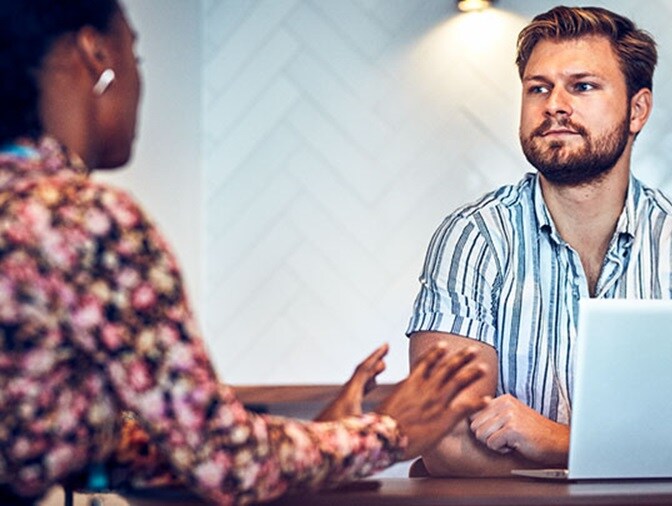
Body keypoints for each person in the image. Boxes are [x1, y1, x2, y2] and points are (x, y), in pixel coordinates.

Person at [0, 1, 487, 504]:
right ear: (95, 53)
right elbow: (226, 464)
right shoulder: (85, 221)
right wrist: (389, 431)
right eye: (135, 58)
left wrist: (320, 441)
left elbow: (98, 448)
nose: (139, 82)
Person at [407, 5, 672, 477]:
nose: (554, 104)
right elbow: (447, 442)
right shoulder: (473, 240)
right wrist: (645, 454)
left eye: (582, 86)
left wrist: (557, 442)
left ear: (638, 110)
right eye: (538, 88)